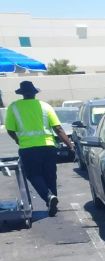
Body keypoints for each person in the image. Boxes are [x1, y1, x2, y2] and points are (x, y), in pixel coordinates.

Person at [4, 80, 75, 216]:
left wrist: (18, 140)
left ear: (22, 94)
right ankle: (52, 201)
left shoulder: (14, 107)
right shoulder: (45, 106)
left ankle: (48, 197)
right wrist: (70, 146)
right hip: (48, 147)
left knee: (33, 175)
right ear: (35, 93)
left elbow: (10, 129)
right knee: (50, 175)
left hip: (28, 148)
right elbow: (58, 128)